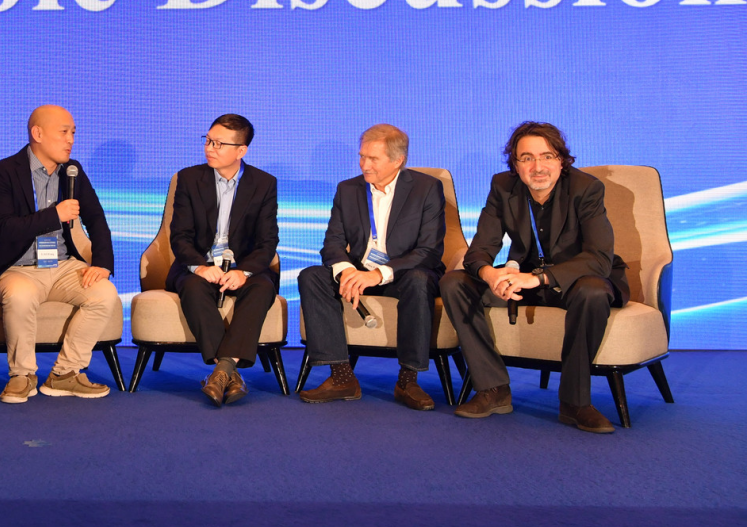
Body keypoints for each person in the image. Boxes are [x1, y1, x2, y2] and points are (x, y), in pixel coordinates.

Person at [443, 122, 629, 434]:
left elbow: (598, 258)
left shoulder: (586, 188)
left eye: (547, 156)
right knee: (454, 283)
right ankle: (492, 388)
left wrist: (538, 278)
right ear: (515, 164)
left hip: (575, 280)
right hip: (524, 278)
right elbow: (480, 251)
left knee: (593, 291)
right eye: (526, 158)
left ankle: (575, 403)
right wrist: (490, 274)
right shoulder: (502, 186)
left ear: (562, 161)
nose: (537, 167)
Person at [0, 105, 119, 403]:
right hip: (17, 267)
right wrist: (55, 215)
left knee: (104, 293)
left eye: (73, 133)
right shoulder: (3, 172)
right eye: (64, 132)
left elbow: (96, 219)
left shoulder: (72, 171)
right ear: (37, 133)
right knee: (20, 295)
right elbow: (3, 229)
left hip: (63, 265)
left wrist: (103, 264)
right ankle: (22, 375)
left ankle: (65, 373)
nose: (71, 140)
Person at [297, 124, 446, 410]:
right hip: (358, 270)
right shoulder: (348, 189)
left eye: (373, 159)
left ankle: (408, 380)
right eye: (362, 156)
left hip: (403, 273)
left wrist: (378, 274)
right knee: (311, 276)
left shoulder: (426, 188)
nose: (364, 165)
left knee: (419, 280)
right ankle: (341, 377)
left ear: (398, 160)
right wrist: (346, 270)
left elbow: (429, 251)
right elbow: (332, 243)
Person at [166, 114, 279, 407]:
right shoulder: (189, 178)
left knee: (262, 287)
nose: (209, 148)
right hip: (198, 266)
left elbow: (267, 242)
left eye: (218, 144)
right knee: (192, 287)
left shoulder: (264, 183)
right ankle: (230, 373)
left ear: (241, 150)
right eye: (208, 140)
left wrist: (245, 272)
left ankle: (221, 372)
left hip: (242, 267)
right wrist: (200, 267)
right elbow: (180, 236)